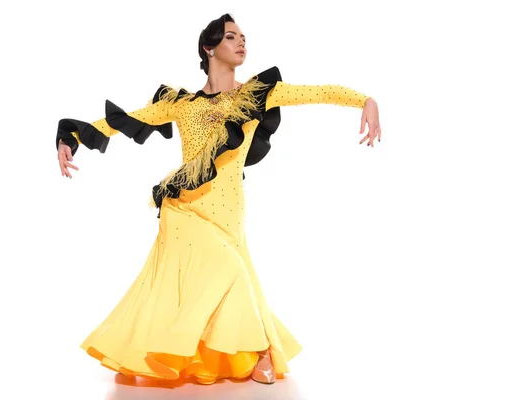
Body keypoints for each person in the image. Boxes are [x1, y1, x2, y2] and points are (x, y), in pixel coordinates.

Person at [56, 13, 381, 385]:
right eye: (231, 37)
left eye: (244, 37)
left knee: (224, 276)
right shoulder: (181, 103)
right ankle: (259, 352)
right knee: (229, 269)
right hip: (184, 207)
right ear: (209, 48)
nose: (242, 42)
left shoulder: (256, 94)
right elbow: (123, 120)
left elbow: (319, 92)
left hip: (228, 210)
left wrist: (365, 101)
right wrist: (72, 138)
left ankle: (216, 350)